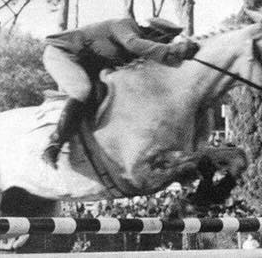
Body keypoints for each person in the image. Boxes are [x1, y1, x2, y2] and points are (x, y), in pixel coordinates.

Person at [43, 17, 200, 164]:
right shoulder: (125, 25)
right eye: (165, 41)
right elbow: (132, 43)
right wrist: (172, 49)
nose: (165, 45)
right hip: (61, 53)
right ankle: (54, 144)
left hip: (84, 65)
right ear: (154, 33)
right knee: (82, 90)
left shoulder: (136, 52)